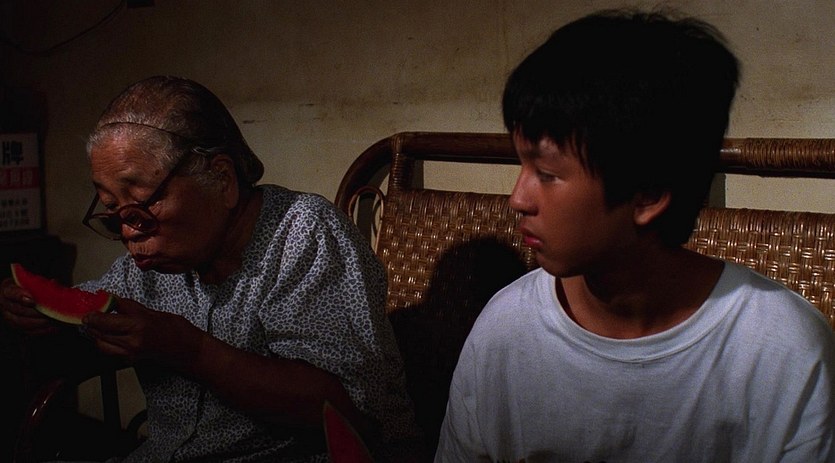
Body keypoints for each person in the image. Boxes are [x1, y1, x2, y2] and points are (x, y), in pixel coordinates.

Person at [435, 8, 835, 463]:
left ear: (647, 195)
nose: (517, 198)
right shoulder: (505, 330)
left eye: (546, 173)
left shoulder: (779, 349)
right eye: (520, 165)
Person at [1, 75, 421, 462]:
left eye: (141, 202)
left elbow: (350, 413)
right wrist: (39, 315)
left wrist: (191, 351)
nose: (128, 231)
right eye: (112, 208)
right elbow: (84, 330)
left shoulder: (303, 234)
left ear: (221, 178)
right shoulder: (147, 265)